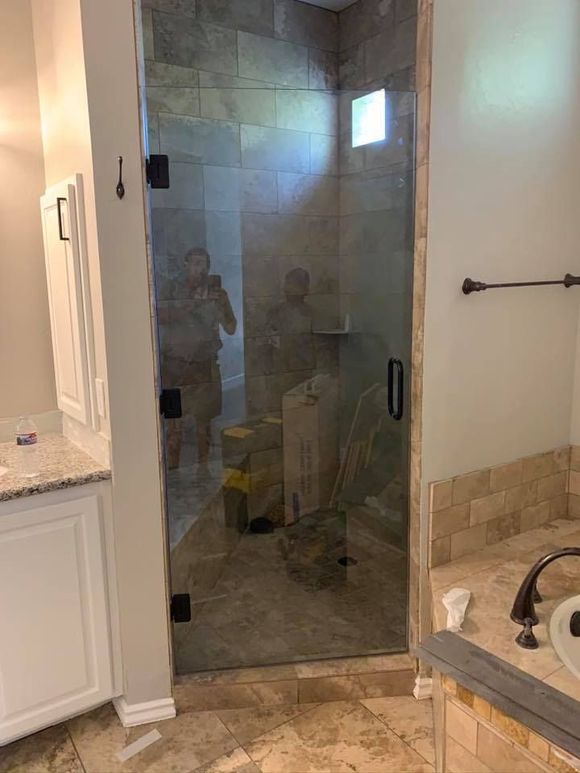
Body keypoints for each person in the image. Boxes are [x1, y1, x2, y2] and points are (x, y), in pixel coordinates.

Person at [160, 247, 236, 470]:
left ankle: (203, 471)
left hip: (206, 368)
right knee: (173, 425)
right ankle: (173, 475)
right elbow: (160, 317)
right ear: (185, 265)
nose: (199, 269)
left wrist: (219, 305)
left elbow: (231, 328)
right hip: (174, 369)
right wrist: (191, 302)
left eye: (203, 264)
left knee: (205, 424)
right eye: (194, 263)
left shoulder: (218, 295)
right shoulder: (172, 289)